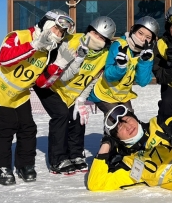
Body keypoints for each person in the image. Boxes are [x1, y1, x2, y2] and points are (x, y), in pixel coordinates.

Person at [0, 9, 76, 186]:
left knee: (28, 128)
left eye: (61, 33)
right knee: (8, 125)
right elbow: (5, 59)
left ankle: (25, 165)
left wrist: (59, 65)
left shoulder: (48, 52)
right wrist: (34, 45)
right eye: (56, 29)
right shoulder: (19, 36)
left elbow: (41, 83)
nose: (58, 34)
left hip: (19, 93)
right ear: (47, 23)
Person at [33, 16, 116, 175]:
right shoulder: (71, 42)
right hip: (51, 87)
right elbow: (61, 76)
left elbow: (92, 80)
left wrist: (81, 99)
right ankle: (58, 159)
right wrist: (79, 59)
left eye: (101, 37)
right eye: (94, 33)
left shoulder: (105, 56)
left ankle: (75, 154)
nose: (96, 38)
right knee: (61, 115)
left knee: (79, 118)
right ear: (89, 30)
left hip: (72, 94)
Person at [89, 16, 159, 115]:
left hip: (122, 95)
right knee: (118, 120)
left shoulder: (147, 55)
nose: (142, 39)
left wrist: (144, 62)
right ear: (133, 30)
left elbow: (142, 82)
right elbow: (108, 76)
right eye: (140, 33)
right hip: (104, 93)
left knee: (131, 121)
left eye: (148, 37)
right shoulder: (119, 45)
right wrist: (120, 66)